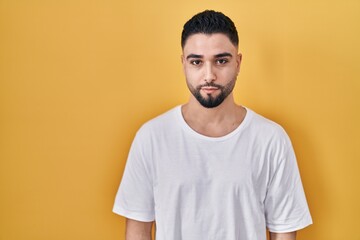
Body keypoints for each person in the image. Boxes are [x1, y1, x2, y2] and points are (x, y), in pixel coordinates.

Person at [113, 10, 312, 240]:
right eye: (196, 62)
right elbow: (138, 229)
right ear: (183, 64)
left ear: (238, 63)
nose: (209, 75)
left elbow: (284, 230)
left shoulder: (270, 139)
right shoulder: (152, 137)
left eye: (221, 61)